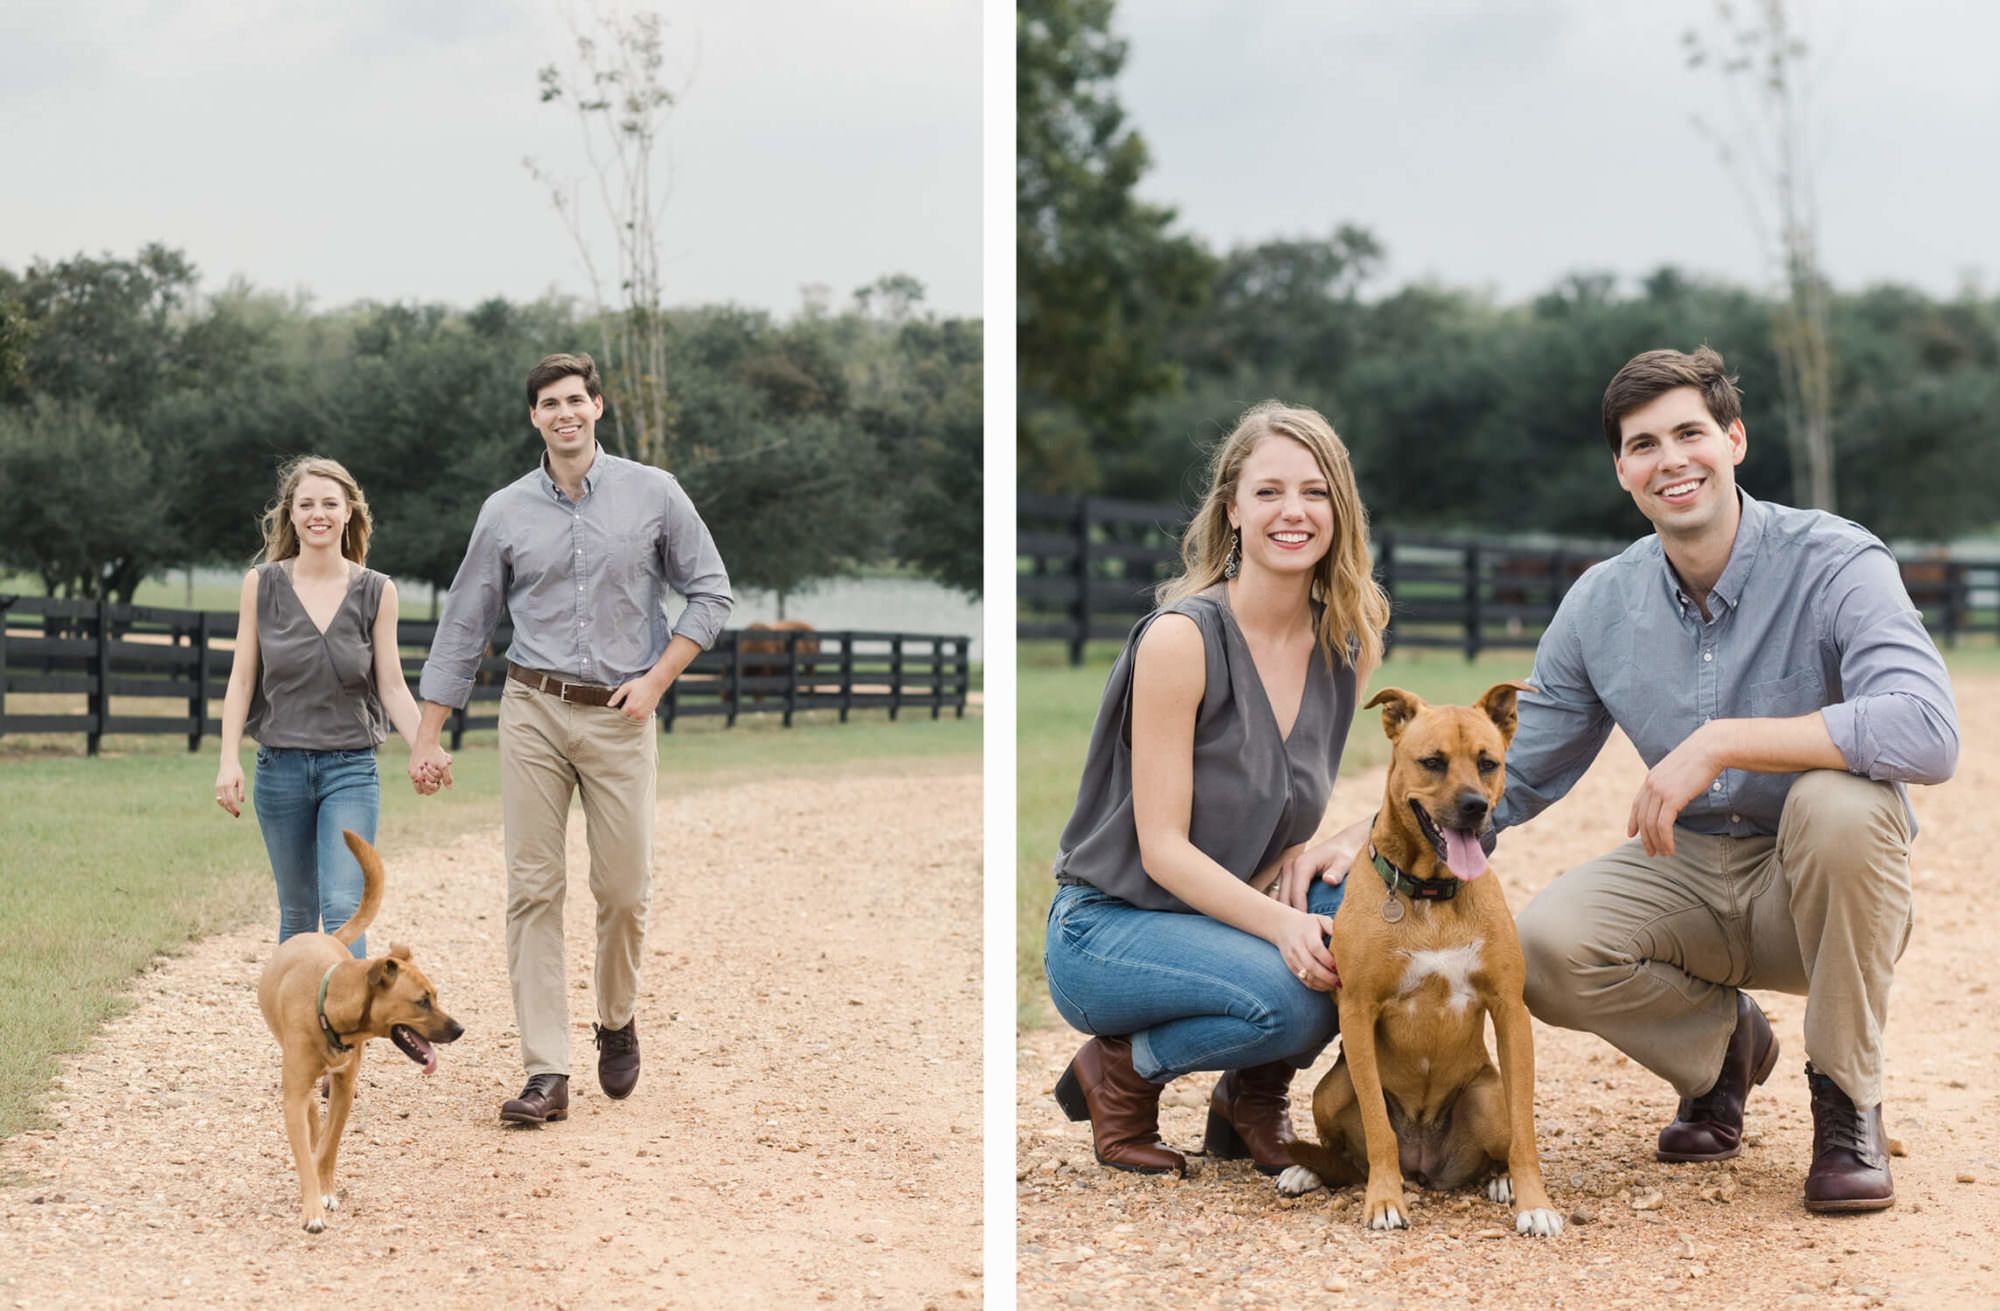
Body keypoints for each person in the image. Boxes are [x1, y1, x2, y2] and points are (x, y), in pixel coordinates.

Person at [1312, 346, 1956, 1212]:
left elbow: (1928, 730)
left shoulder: (1836, 562)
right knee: (1540, 945)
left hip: (1817, 884)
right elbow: (1519, 764)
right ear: (1623, 470)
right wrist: (1373, 833)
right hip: (1688, 868)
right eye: (1644, 444)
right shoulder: (1600, 603)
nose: (1671, 459)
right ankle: (1724, 1050)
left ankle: (1846, 1104)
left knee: (1839, 802)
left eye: (1690, 432)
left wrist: (1726, 740)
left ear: (1734, 439)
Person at [1042, 401, 1390, 1177]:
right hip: (1110, 926)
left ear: (1340, 508)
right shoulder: (1181, 639)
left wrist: (1336, 846)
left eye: (1314, 491)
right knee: (1295, 991)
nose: (1292, 511)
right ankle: (1122, 1071)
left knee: (1374, 926)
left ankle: (1248, 1102)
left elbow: (1289, 809)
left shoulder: (1347, 645)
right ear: (1232, 509)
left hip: (1220, 910)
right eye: (1268, 492)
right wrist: (1281, 925)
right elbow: (1163, 850)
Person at [409, 351, 732, 1125]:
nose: (565, 413)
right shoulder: (505, 511)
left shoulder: (655, 493)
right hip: (533, 710)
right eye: (549, 402)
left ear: (598, 406)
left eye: (576, 400)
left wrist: (655, 681)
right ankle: (545, 1071)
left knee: (622, 891)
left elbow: (710, 593)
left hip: (622, 717)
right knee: (532, 890)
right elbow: (465, 624)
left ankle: (615, 1018)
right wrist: (428, 734)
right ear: (534, 417)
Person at [215, 456, 438, 958]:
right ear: (290, 515)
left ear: (349, 513)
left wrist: (426, 747)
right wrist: (229, 760)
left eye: (330, 504)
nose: (318, 513)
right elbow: (243, 679)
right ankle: (299, 1031)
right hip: (280, 768)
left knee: (342, 905)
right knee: (297, 911)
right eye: (306, 504)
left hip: (350, 769)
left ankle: (347, 1032)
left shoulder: (377, 591)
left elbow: (394, 687)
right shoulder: (262, 584)